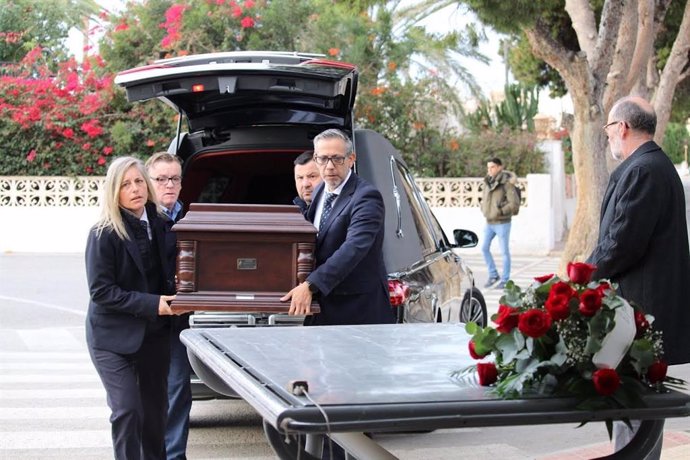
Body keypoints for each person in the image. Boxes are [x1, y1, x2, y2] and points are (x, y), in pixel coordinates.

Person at [586, 96, 690, 456]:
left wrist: (581, 277)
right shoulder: (651, 165)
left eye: (609, 130)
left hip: (641, 316)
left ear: (622, 128)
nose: (609, 137)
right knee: (638, 416)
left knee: (635, 414)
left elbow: (621, 243)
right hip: (643, 313)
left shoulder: (644, 170)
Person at [85, 156, 177, 460]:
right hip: (111, 338)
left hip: (154, 335)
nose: (135, 188)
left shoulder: (165, 225)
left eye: (139, 181)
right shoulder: (102, 233)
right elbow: (102, 292)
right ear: (115, 191)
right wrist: (153, 304)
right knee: (127, 410)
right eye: (126, 184)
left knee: (154, 416)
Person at [281, 128, 394, 326]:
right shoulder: (321, 191)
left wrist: (310, 285)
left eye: (337, 159)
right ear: (316, 159)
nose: (330, 166)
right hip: (323, 309)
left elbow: (353, 248)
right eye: (323, 159)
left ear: (351, 159)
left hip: (358, 311)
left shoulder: (366, 197)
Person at [145, 152, 190, 460]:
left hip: (177, 319)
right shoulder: (138, 217)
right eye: (161, 179)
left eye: (174, 178)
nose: (168, 185)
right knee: (144, 396)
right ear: (149, 182)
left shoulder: (190, 218)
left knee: (177, 389)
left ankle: (174, 456)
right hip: (144, 318)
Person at [479, 157, 520, 289]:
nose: (489, 170)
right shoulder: (487, 182)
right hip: (489, 222)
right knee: (484, 248)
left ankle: (505, 279)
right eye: (488, 167)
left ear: (499, 167)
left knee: (504, 252)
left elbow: (514, 204)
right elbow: (484, 199)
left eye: (492, 167)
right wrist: (483, 208)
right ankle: (493, 275)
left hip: (502, 223)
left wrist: (500, 211)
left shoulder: (507, 184)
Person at [292, 150, 321, 214]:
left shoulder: (340, 209)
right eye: (300, 178)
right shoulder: (289, 214)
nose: (305, 184)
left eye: (312, 176)